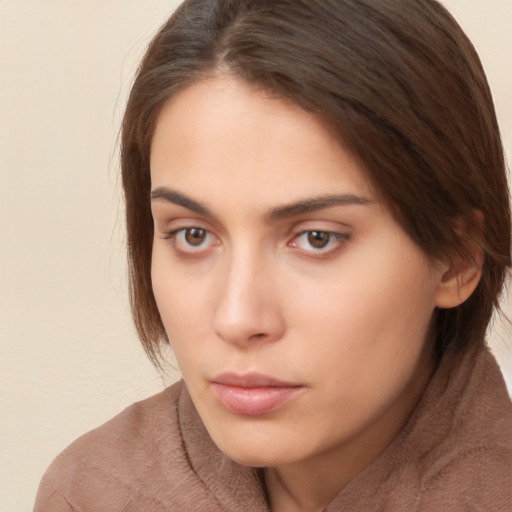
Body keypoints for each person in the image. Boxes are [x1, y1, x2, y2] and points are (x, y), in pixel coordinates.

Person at [34, 0, 512, 511]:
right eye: (194, 234)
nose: (237, 319)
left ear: (458, 257)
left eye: (317, 238)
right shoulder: (93, 491)